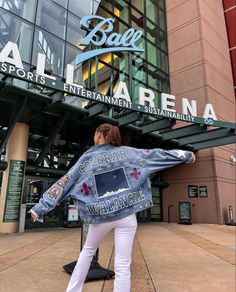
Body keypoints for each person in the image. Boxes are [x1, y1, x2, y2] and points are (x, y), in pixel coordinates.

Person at [29, 123, 195, 292]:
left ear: (99, 135)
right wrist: (184, 155)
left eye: (95, 134)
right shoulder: (128, 152)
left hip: (101, 217)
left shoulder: (88, 159)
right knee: (123, 264)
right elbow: (153, 155)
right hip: (126, 216)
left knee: (87, 253)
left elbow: (65, 182)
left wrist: (40, 208)